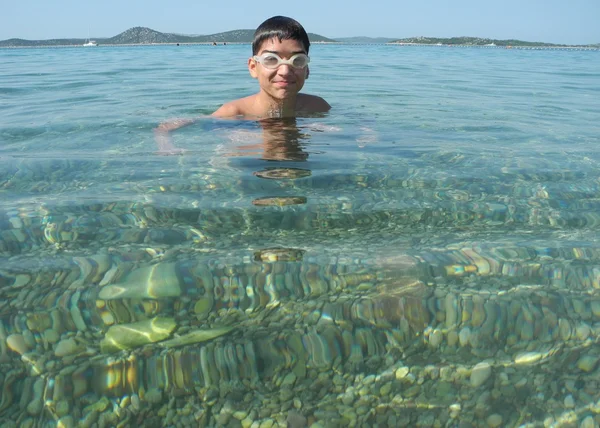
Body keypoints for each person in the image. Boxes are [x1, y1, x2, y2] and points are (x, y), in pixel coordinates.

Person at [212, 15, 330, 119]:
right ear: (253, 67)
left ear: (307, 70)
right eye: (271, 59)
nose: (285, 71)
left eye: (297, 60)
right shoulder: (232, 114)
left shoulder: (318, 107)